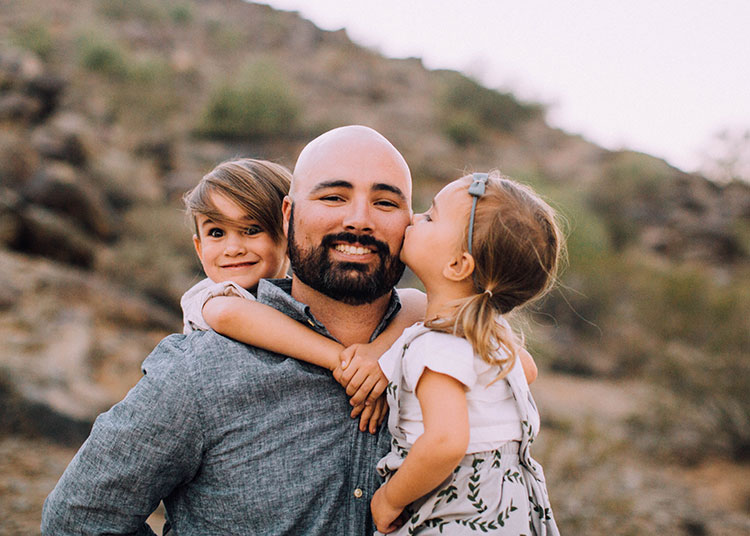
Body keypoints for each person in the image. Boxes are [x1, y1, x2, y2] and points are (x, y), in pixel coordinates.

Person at [42, 125, 415, 535]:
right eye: (333, 197)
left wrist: (383, 349)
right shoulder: (201, 369)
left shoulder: (457, 357)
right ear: (289, 217)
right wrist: (345, 361)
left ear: (410, 224)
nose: (359, 219)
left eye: (384, 202)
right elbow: (79, 519)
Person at [370, 172, 561, 535]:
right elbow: (527, 371)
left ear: (457, 265)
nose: (413, 219)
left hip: (456, 512)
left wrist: (390, 499)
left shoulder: (436, 347)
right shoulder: (491, 335)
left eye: (430, 217)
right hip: (511, 505)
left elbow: (445, 442)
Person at [180, 157, 425, 431]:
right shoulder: (211, 297)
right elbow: (228, 315)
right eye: (216, 233)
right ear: (199, 248)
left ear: (288, 230)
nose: (233, 247)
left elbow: (418, 302)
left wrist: (379, 357)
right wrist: (348, 366)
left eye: (251, 230)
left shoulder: (298, 297)